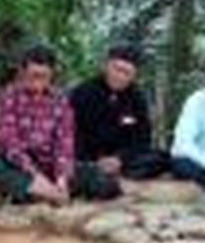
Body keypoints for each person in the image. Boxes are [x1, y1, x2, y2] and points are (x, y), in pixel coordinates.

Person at [0, 43, 120, 205]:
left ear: (52, 74)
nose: (38, 81)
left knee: (103, 182)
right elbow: (10, 145)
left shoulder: (60, 101)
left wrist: (61, 178)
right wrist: (37, 177)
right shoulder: (7, 98)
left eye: (44, 76)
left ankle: (37, 194)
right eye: (34, 75)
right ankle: (38, 192)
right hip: (18, 165)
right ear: (22, 72)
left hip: (49, 165)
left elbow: (64, 143)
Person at [70, 44, 168, 181]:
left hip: (123, 160)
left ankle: (115, 176)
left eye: (126, 73)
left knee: (162, 158)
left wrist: (120, 158)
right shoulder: (82, 93)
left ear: (134, 76)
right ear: (106, 66)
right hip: (89, 158)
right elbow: (72, 133)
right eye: (117, 69)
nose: (120, 76)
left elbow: (143, 138)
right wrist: (96, 160)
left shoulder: (137, 98)